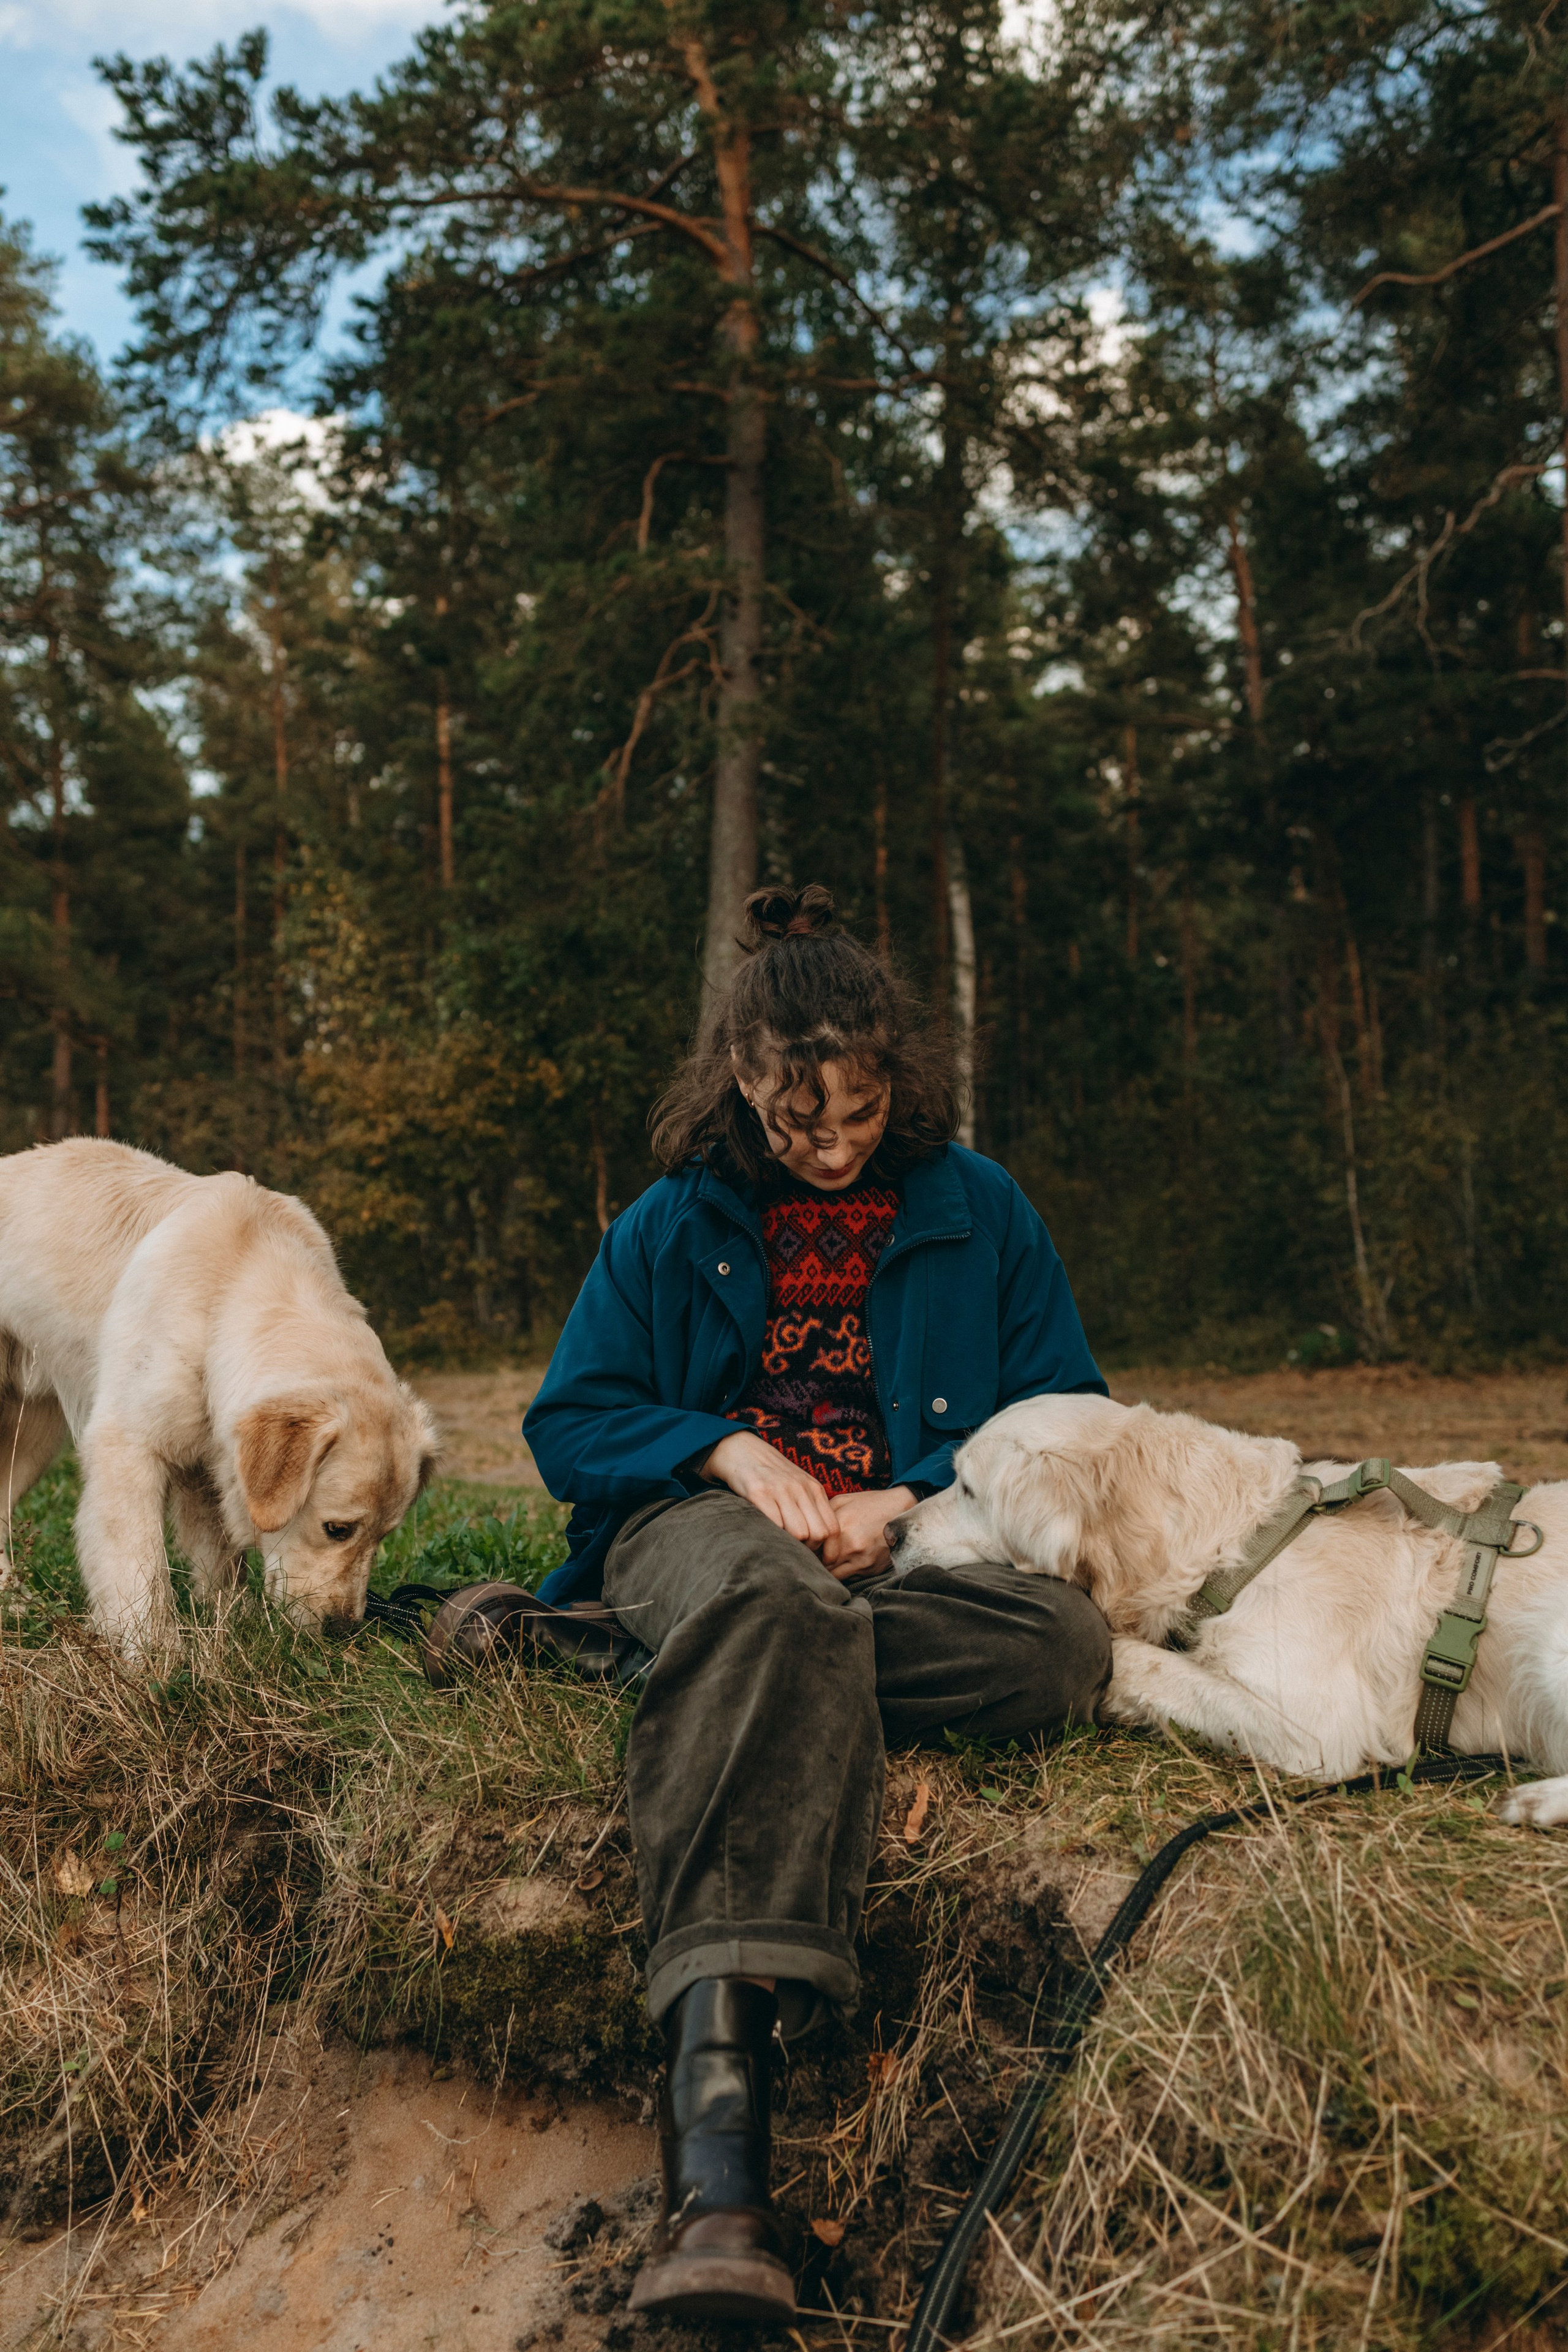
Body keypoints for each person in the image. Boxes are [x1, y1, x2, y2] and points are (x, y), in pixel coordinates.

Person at [523, 884, 1112, 2323]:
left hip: (904, 1544)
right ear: (741, 1079)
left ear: (893, 1075)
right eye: (799, 1123)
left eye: (855, 1113)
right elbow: (569, 1422)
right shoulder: (668, 1222)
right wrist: (722, 1448)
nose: (832, 1145)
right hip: (700, 1526)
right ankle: (718, 2174)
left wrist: (902, 1503)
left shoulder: (981, 1209)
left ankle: (663, 1665)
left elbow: (1068, 1412)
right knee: (758, 1595)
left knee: (1065, 1644)